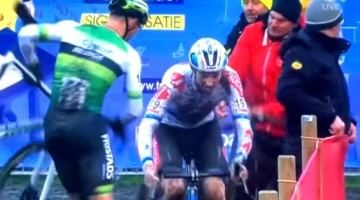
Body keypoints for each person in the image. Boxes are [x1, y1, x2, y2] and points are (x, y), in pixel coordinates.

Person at [16, 0, 149, 199]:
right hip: (87, 129)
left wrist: (34, 65)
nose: (137, 31)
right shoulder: (129, 55)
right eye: (139, 26)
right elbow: (135, 109)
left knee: (77, 195)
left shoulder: (72, 29)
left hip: (53, 124)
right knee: (101, 196)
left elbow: (26, 34)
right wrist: (119, 123)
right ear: (131, 21)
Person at [137, 38, 253, 200]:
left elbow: (243, 122)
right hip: (170, 130)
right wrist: (147, 164)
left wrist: (240, 158)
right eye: (205, 75)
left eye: (215, 75)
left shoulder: (229, 77)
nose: (210, 81)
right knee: (174, 187)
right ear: (194, 69)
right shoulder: (175, 78)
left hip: (204, 129)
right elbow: (148, 123)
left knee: (215, 189)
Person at [228, 0, 302, 196]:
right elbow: (233, 73)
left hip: (290, 133)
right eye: (272, 17)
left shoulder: (303, 45)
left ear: (294, 24)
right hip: (256, 130)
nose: (273, 23)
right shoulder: (252, 32)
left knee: (288, 191)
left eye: (281, 21)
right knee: (242, 182)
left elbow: (295, 97)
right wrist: (226, 99)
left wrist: (262, 111)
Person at [277, 0, 357, 179]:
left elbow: (326, 90)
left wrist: (346, 118)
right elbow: (288, 91)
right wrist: (330, 116)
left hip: (325, 145)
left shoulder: (324, 49)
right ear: (332, 26)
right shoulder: (303, 51)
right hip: (306, 148)